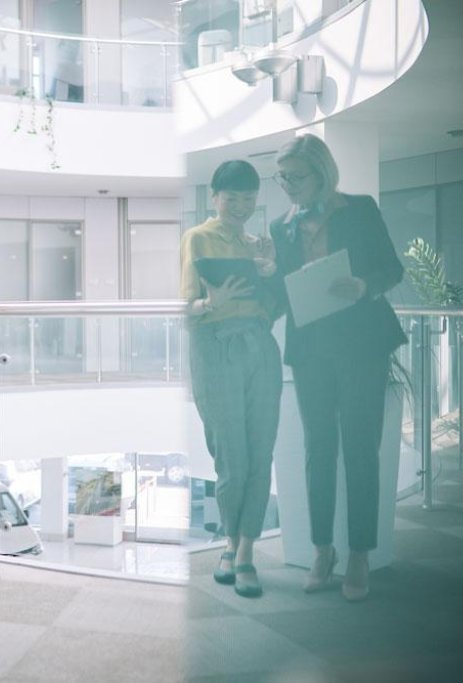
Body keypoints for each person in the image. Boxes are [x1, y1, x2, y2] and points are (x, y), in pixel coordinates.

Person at [269, 133, 406, 602]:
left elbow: (392, 269)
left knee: (361, 450)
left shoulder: (360, 209)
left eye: (296, 176)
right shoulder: (280, 227)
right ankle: (323, 550)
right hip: (311, 349)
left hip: (362, 345)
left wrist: (363, 285)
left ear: (322, 172)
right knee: (318, 450)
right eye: (281, 177)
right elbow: (282, 291)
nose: (287, 185)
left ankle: (360, 554)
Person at [181, 160, 282, 598]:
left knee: (261, 455)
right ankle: (229, 544)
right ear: (214, 198)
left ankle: (243, 554)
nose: (240, 206)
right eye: (232, 197)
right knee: (231, 458)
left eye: (248, 198)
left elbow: (277, 308)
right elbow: (185, 309)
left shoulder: (261, 245)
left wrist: (270, 277)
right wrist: (210, 300)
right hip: (215, 349)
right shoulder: (198, 238)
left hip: (261, 346)